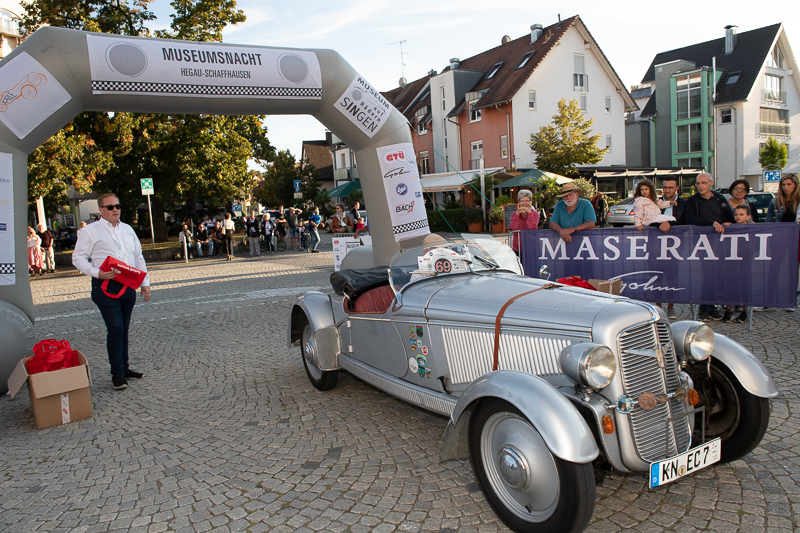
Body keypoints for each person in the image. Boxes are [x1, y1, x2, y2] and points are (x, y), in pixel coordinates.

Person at [72, 193, 150, 390]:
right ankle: (117, 374)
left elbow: (138, 257)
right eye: (110, 207)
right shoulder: (90, 231)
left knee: (123, 328)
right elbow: (78, 258)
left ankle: (124, 368)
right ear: (101, 210)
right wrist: (96, 272)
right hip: (105, 285)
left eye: (118, 206)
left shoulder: (128, 229)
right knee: (115, 329)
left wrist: (145, 282)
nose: (115, 209)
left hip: (128, 284)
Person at [685, 172, 734, 321]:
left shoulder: (720, 198)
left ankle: (712, 306)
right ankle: (705, 307)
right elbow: (690, 219)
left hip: (720, 242)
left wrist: (728, 223)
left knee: (719, 275)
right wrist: (710, 223)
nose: (700, 186)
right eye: (698, 183)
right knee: (707, 275)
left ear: (711, 183)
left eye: (704, 183)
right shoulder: (692, 200)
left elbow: (729, 217)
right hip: (702, 243)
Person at [656, 177, 687, 319]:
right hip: (656, 246)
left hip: (675, 247)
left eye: (670, 187)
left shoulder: (683, 204)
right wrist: (660, 224)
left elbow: (686, 221)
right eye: (665, 187)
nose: (667, 190)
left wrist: (670, 224)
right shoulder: (655, 203)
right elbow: (647, 220)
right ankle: (658, 307)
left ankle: (670, 307)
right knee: (656, 277)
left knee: (672, 277)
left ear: (676, 189)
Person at [509, 189, 540, 256]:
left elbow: (532, 228)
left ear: (530, 202)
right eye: (522, 201)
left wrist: (529, 214)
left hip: (531, 247)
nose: (524, 203)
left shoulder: (535, 214)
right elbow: (513, 228)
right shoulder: (514, 214)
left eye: (527, 201)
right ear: (519, 202)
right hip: (517, 247)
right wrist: (517, 215)